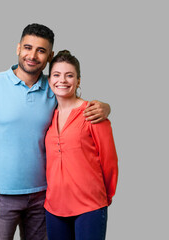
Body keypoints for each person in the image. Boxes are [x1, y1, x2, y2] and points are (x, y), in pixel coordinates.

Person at [0, 23, 111, 240]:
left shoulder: (53, 88)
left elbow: (76, 104)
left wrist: (106, 107)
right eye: (28, 48)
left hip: (44, 196)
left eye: (41, 51)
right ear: (18, 48)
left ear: (49, 56)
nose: (32, 55)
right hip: (0, 196)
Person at [44, 50, 118, 240]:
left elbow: (109, 161)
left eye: (70, 75)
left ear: (78, 81)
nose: (63, 80)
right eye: (57, 75)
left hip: (90, 206)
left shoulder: (92, 113)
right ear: (49, 79)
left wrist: (103, 197)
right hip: (54, 208)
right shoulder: (46, 116)